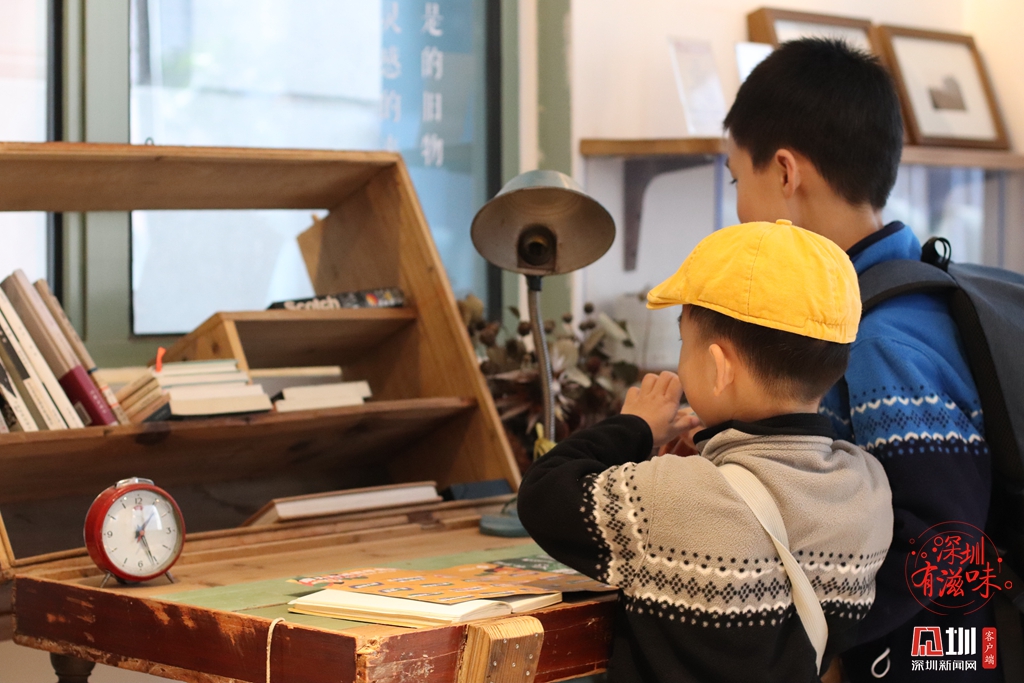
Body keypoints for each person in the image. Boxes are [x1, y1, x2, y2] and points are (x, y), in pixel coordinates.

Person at [722, 38, 997, 680]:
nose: (736, 210)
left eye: (737, 180)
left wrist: (803, 638)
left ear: (785, 172)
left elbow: (946, 546)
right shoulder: (883, 302)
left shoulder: (879, 340)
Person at [518, 220, 893, 683]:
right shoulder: (868, 487)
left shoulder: (667, 498)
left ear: (719, 368)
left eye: (684, 342)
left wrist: (634, 426)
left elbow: (543, 494)